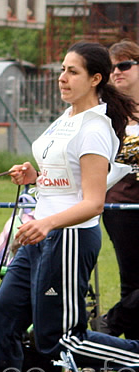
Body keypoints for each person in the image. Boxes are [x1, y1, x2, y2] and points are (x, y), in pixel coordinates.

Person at [0, 42, 139, 372]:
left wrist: (47, 223)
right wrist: (34, 176)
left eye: (73, 72)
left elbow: (93, 202)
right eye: (62, 70)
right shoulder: (66, 118)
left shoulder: (95, 128)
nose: (62, 78)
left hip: (68, 238)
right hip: (40, 237)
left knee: (61, 340)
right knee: (2, 318)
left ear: (95, 79)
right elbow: (61, 178)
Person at [96, 39, 139, 339]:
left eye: (124, 65)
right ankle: (131, 348)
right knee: (132, 279)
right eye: (111, 68)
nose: (117, 73)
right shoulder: (106, 113)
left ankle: (108, 326)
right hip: (120, 204)